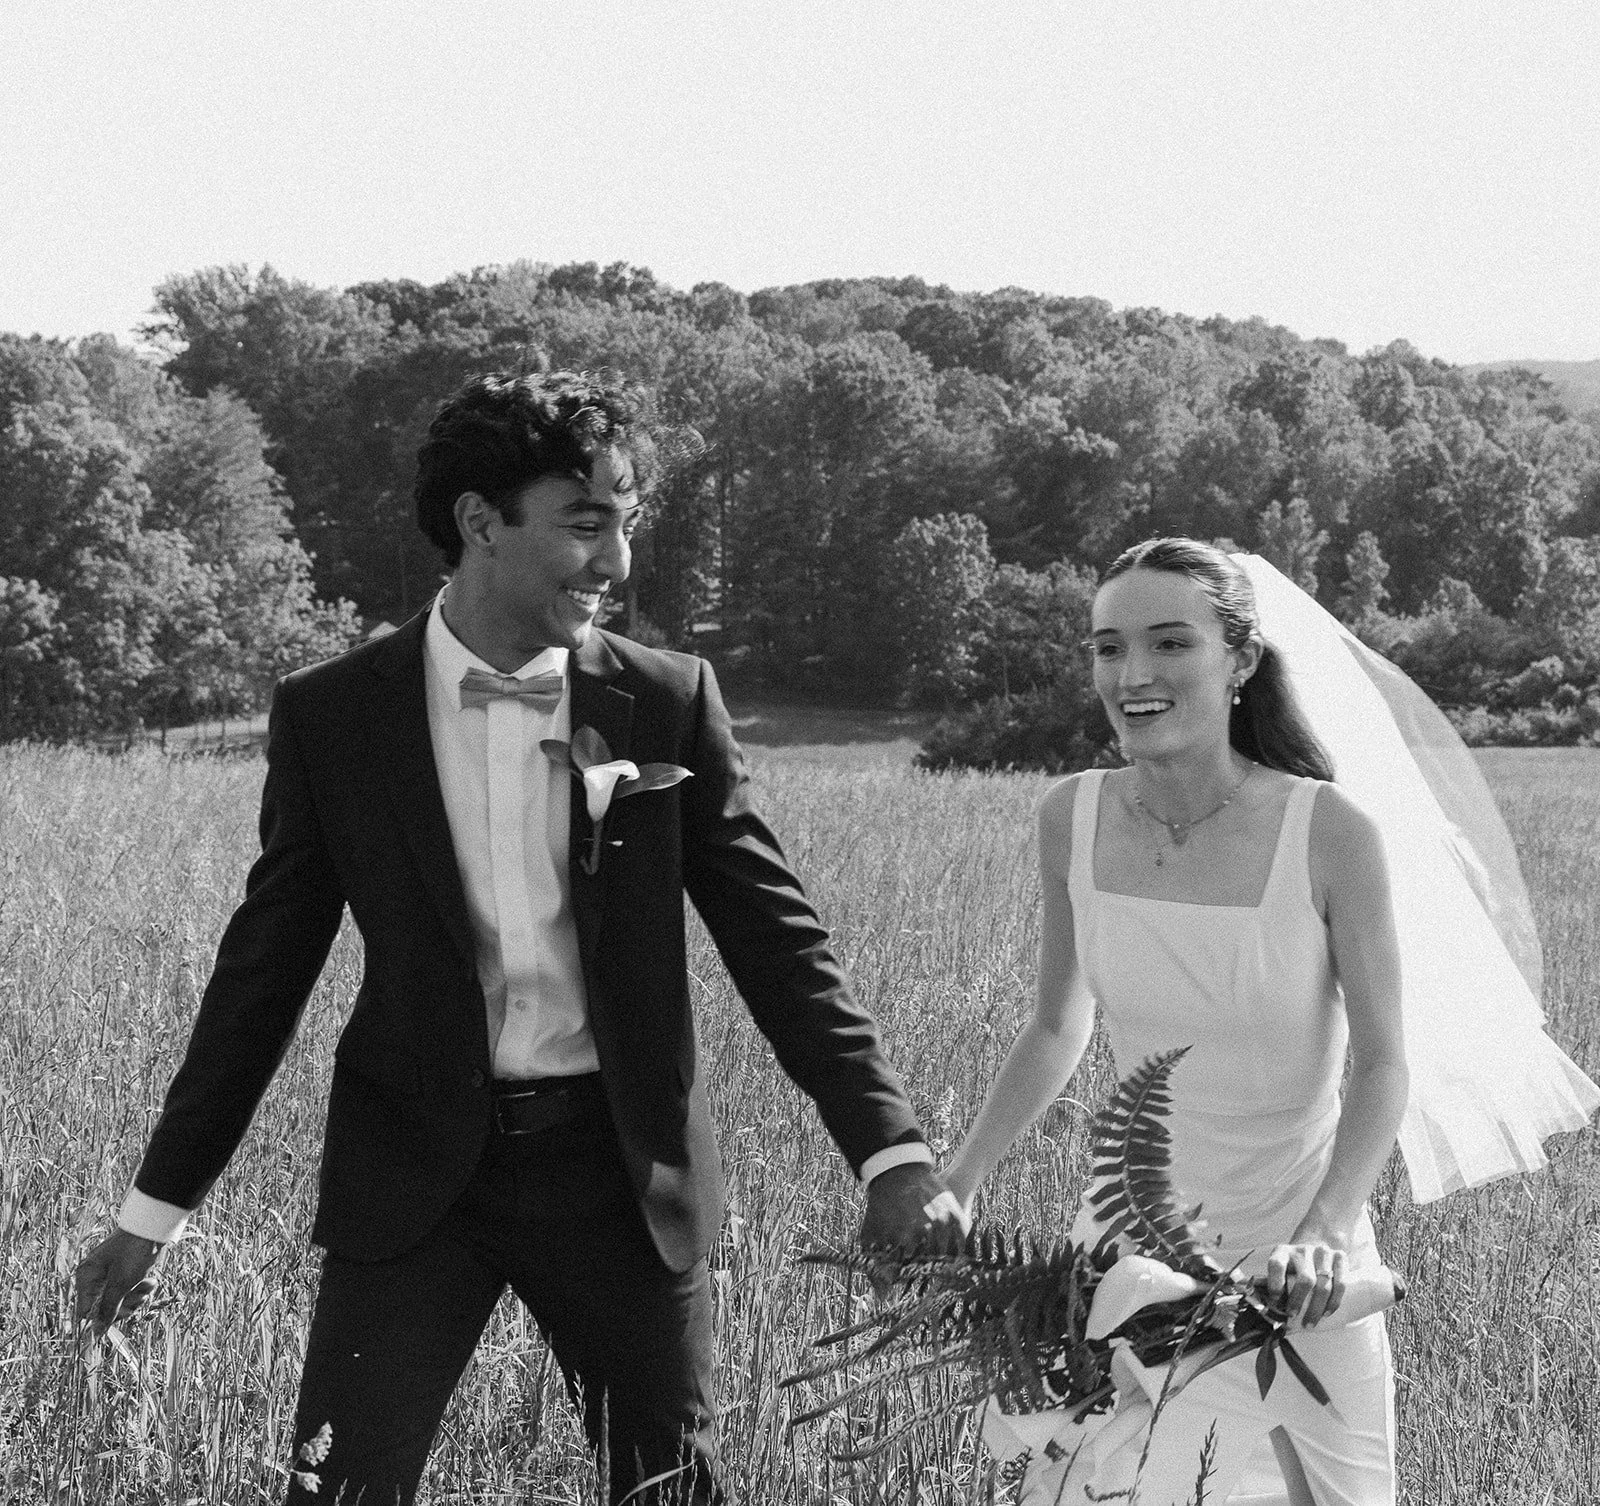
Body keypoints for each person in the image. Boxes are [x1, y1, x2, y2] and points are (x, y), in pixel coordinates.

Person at [72, 370, 962, 1505]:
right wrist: (153, 1215)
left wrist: (891, 1154)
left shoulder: (667, 699)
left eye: (626, 525)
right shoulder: (334, 715)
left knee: (671, 1495)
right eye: (586, 524)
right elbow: (261, 977)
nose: (618, 563)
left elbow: (778, 941)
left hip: (619, 1174)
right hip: (413, 1184)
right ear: (478, 522)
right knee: (333, 1494)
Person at [944, 537, 1414, 1505]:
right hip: (1131, 1275)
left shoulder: (1329, 834)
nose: (1132, 675)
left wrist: (1324, 1232)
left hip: (1301, 1285)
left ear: (1239, 661)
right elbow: (1053, 1028)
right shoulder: (1067, 817)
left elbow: (1382, 1066)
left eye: (1168, 644)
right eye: (1107, 649)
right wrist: (961, 1177)